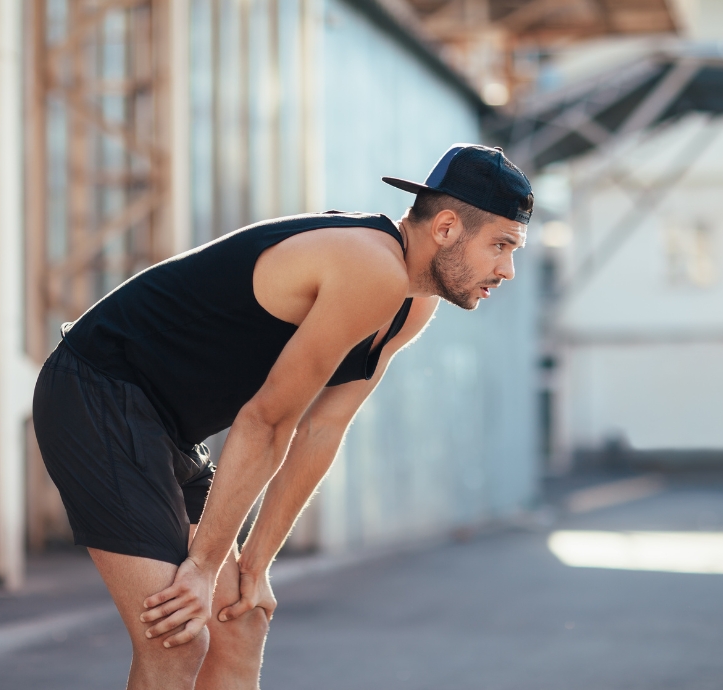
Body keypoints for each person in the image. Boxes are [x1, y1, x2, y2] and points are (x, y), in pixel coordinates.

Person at [32, 143, 533, 689]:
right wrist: (202, 568)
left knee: (240, 622)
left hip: (167, 426)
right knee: (176, 638)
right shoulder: (370, 268)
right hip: (97, 390)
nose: (507, 270)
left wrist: (256, 563)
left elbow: (322, 428)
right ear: (445, 228)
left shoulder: (412, 304)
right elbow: (267, 422)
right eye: (501, 245)